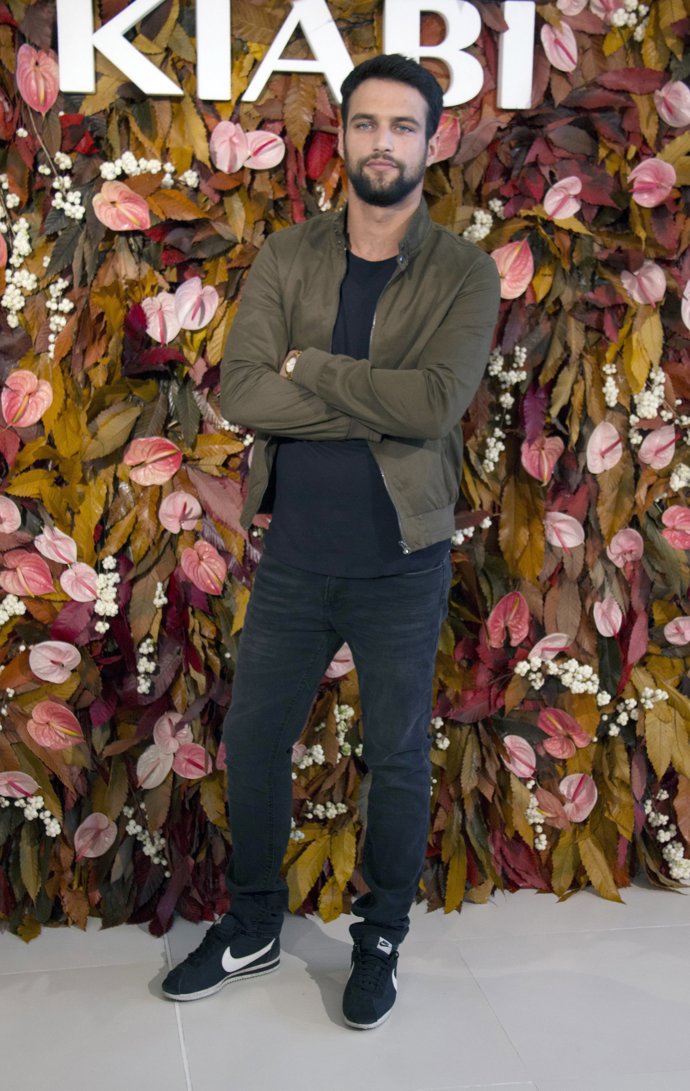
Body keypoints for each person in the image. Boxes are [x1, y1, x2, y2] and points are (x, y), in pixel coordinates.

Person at [162, 53, 500, 1030]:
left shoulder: (463, 271)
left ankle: (380, 934)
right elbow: (243, 392)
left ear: (431, 142)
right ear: (342, 138)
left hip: (402, 559)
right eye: (366, 123)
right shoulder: (288, 255)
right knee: (252, 738)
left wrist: (310, 368)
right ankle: (255, 922)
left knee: (396, 753)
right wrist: (371, 399)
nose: (382, 142)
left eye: (403, 125)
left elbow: (433, 405)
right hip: (296, 556)